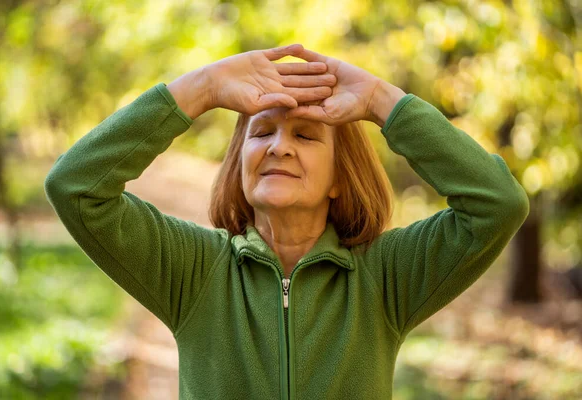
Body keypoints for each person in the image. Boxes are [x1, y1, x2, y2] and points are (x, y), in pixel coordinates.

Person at [44, 43, 529, 399]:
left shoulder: (385, 277)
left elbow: (498, 205)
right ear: (239, 165)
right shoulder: (194, 271)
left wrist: (384, 101)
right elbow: (76, 186)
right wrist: (202, 88)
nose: (279, 146)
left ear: (341, 177)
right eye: (261, 131)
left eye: (306, 135)